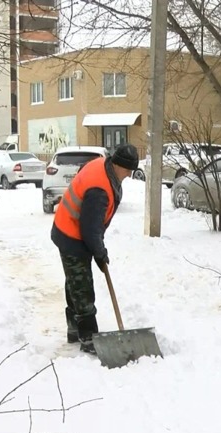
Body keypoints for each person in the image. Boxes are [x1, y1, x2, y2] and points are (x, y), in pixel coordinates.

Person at [50, 144, 139, 353]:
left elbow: (93, 226)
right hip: (71, 235)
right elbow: (90, 230)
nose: (128, 175)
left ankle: (74, 328)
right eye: (127, 170)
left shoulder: (102, 165)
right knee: (82, 286)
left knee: (74, 280)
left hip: (71, 230)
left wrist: (97, 248)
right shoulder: (100, 189)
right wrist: (99, 252)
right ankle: (88, 336)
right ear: (117, 165)